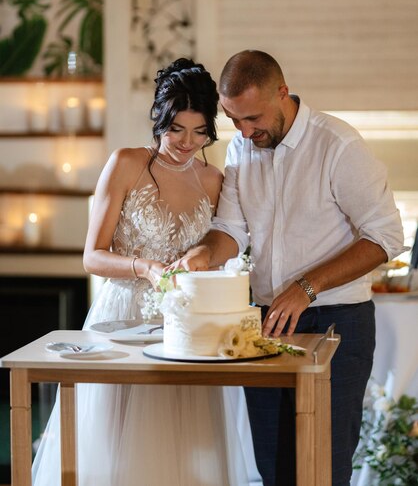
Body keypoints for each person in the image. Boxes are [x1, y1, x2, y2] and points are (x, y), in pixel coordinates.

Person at [173, 50, 406, 486]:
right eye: (233, 119)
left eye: (253, 118)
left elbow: (386, 237)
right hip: (263, 325)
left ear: (283, 92)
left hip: (336, 323)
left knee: (321, 468)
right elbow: (230, 228)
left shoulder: (338, 146)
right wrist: (204, 253)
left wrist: (307, 287)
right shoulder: (243, 148)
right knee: (274, 469)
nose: (243, 131)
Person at [32, 58, 252, 486]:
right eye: (176, 129)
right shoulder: (126, 163)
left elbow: (223, 244)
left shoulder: (214, 181)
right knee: (111, 450)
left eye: (199, 130)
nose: (187, 142)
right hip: (121, 319)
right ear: (159, 119)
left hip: (184, 327)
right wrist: (143, 267)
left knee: (182, 448)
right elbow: (92, 256)